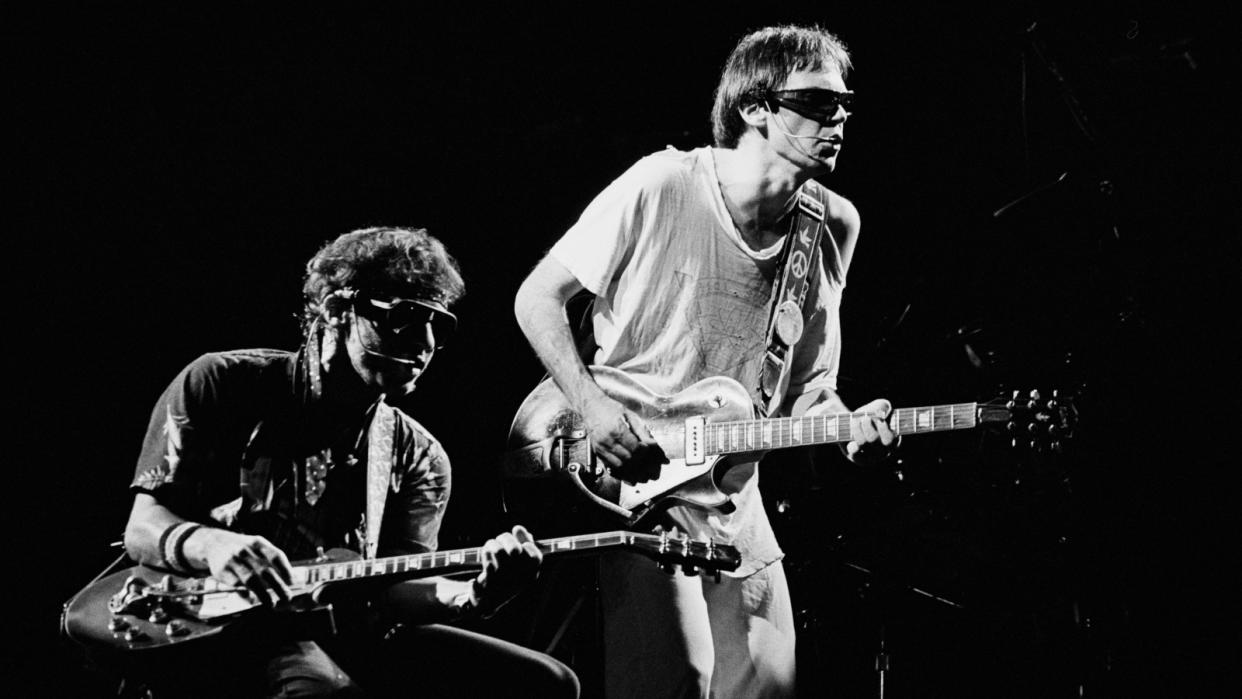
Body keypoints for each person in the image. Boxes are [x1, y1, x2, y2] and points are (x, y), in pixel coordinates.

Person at [513, 25, 898, 698]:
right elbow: (537, 296)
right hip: (630, 480)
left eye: (845, 104)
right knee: (677, 681)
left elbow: (812, 387)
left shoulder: (832, 226)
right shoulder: (663, 182)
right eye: (816, 101)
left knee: (768, 685)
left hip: (730, 492)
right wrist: (592, 406)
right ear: (756, 107)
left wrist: (849, 428)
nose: (837, 118)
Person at [123, 226, 580, 698]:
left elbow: (399, 588)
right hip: (223, 618)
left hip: (350, 626)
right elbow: (142, 527)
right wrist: (213, 546)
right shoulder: (225, 382)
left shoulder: (419, 454)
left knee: (547, 684)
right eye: (404, 317)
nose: (424, 344)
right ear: (337, 310)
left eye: (437, 325)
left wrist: (476, 594)